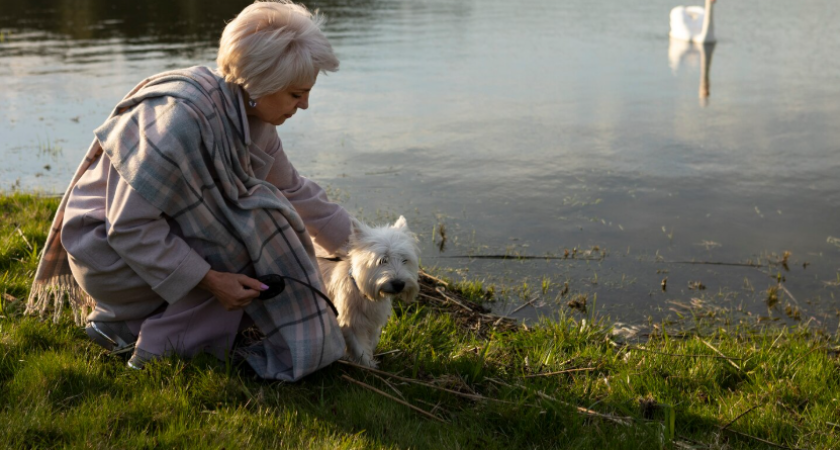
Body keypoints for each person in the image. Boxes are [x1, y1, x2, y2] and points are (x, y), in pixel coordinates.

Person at [26, 1, 350, 381]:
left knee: (256, 228)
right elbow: (129, 227)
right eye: (297, 94)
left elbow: (294, 190)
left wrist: (363, 249)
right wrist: (212, 280)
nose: (306, 105)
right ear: (264, 83)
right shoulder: (179, 123)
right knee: (247, 244)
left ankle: (128, 325)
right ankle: (156, 346)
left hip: (141, 243)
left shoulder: (251, 118)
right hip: (106, 251)